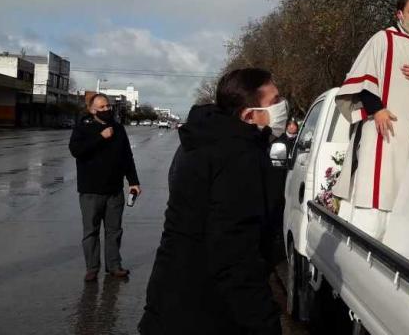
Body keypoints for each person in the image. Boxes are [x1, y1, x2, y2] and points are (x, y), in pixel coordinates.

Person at [138, 68, 285, 335]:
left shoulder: (202, 140)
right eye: (274, 102)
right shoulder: (239, 157)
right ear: (249, 115)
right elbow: (236, 255)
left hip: (170, 298)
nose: (282, 106)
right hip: (205, 310)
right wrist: (265, 323)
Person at [332, 0, 409, 239]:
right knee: (376, 187)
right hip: (380, 126)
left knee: (407, 190)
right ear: (399, 14)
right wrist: (377, 109)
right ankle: (365, 239)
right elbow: (362, 79)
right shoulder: (382, 39)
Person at [69, 93, 141, 282]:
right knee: (91, 231)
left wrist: (133, 181)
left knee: (114, 230)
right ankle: (92, 268)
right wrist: (100, 137)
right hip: (90, 191)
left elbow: (127, 156)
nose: (107, 110)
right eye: (102, 107)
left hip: (114, 190)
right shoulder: (83, 128)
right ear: (93, 110)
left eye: (108, 106)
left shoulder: (118, 129)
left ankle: (114, 266)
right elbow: (76, 151)